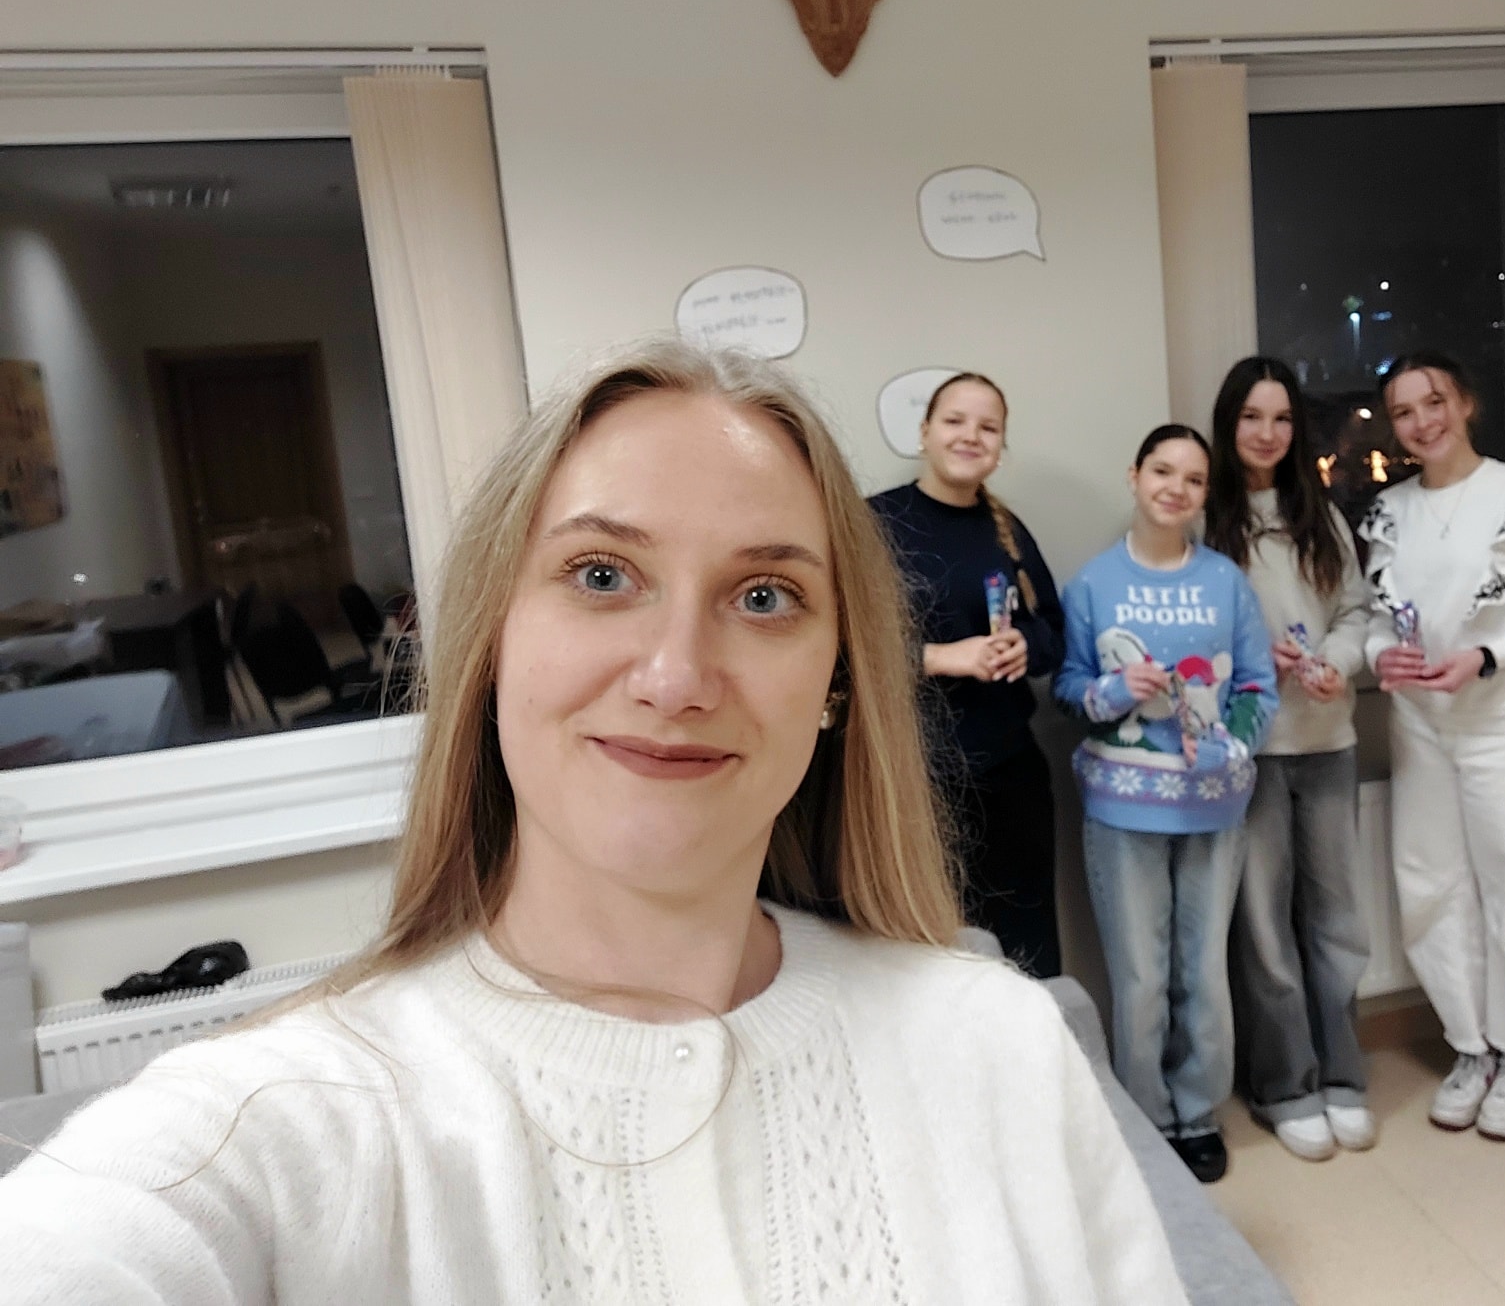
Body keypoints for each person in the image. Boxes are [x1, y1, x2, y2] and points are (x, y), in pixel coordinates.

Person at [0, 341, 1187, 1305]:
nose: (674, 677)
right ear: (490, 639)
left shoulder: (1001, 1044)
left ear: (836, 681)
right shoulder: (279, 1125)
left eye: (764, 595)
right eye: (602, 575)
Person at [1361, 351, 1505, 1142]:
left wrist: (1491, 655)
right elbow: (1376, 619)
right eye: (1403, 412)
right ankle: (1471, 1047)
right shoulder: (1390, 512)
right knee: (1430, 890)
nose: (1421, 422)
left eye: (1433, 402)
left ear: (1465, 403)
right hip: (1424, 728)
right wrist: (1380, 657)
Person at [1054, 424, 1277, 1185]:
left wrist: (1233, 744)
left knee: (1203, 972)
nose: (1175, 488)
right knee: (1140, 977)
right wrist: (1113, 691)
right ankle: (1146, 1120)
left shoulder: (1225, 582)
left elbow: (1257, 684)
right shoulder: (1093, 583)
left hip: (1213, 807)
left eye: (1193, 478)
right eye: (1162, 471)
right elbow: (1067, 688)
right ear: (1135, 475)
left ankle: (1198, 1113)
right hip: (1122, 808)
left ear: (1205, 494)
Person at [1204, 357, 1376, 1162]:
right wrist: (1246, 661)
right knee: (1264, 928)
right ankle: (1286, 1086)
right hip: (1251, 753)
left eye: (1281, 419)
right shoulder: (1206, 520)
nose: (1267, 433)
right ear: (1228, 424)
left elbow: (1355, 613)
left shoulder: (1321, 515)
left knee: (1339, 921)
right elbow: (1187, 635)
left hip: (1327, 741)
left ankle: (1342, 1075)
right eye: (1251, 417)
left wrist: (1340, 659)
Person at [870, 373, 1065, 977]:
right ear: (925, 431)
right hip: (915, 782)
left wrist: (1023, 647)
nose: (970, 436)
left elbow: (1053, 631)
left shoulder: (1008, 528)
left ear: (1001, 446)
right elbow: (839, 647)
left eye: (988, 427)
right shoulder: (876, 522)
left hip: (1011, 780)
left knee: (1027, 956)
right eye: (955, 421)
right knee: (937, 960)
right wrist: (937, 658)